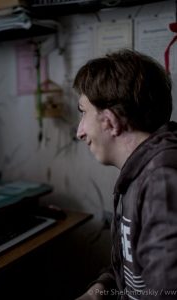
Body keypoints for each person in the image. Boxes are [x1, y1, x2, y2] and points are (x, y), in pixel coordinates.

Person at [73, 49, 177, 300]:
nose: (80, 132)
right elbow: (132, 264)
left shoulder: (161, 181)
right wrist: (102, 287)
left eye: (83, 113)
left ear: (109, 121)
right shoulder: (140, 173)